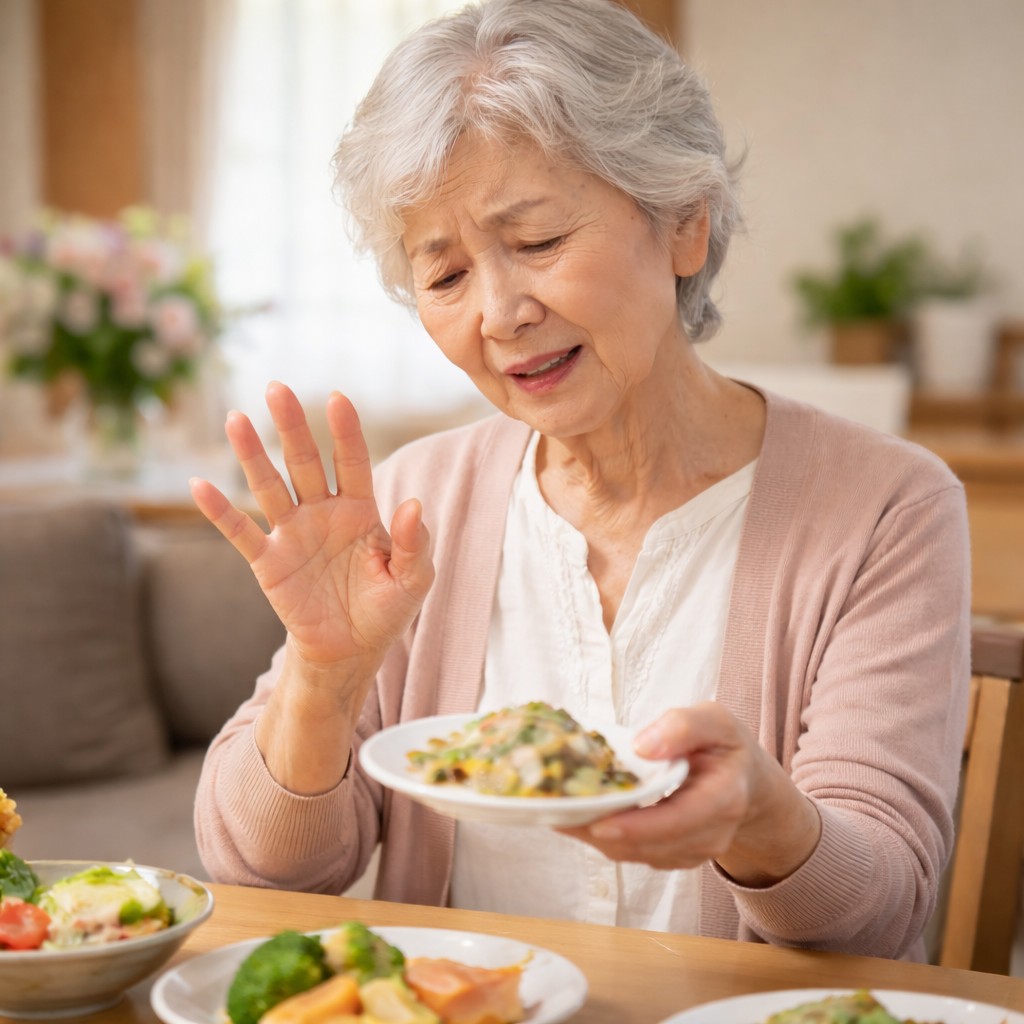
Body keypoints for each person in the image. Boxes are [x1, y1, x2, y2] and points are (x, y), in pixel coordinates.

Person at [190, 0, 970, 961]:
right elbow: (261, 873)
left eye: (538, 241)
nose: (501, 313)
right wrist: (325, 677)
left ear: (687, 225)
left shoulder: (887, 507)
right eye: (444, 278)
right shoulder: (414, 504)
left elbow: (880, 911)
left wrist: (761, 819)